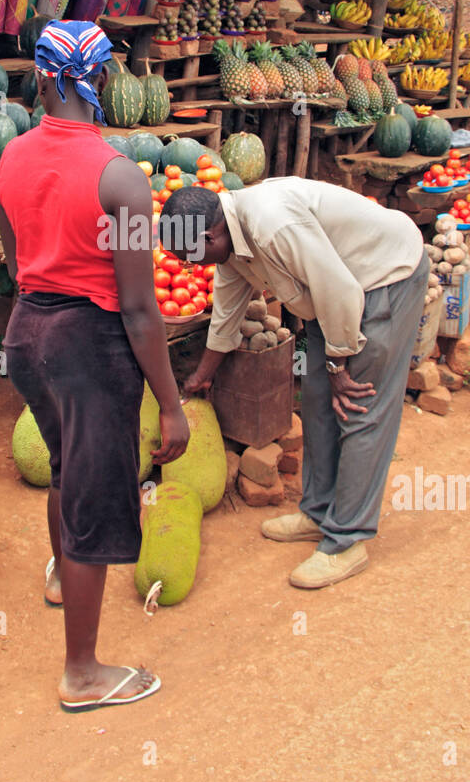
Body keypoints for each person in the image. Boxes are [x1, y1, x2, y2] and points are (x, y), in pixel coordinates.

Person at [0, 20, 190, 712]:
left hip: (28, 337)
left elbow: (15, 265)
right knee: (96, 496)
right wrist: (170, 403)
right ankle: (82, 673)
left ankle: (59, 581)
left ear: (43, 77)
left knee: (62, 465)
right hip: (90, 349)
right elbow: (139, 310)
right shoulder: (122, 181)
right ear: (104, 79)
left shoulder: (11, 158)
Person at [160, 177, 429, 589]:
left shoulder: (272, 224)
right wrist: (202, 375)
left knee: (358, 407)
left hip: (381, 281)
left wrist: (340, 367)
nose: (189, 266)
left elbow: (340, 291)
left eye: (189, 254)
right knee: (317, 400)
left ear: (209, 234)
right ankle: (318, 511)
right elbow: (227, 313)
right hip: (331, 299)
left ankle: (347, 541)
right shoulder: (228, 242)